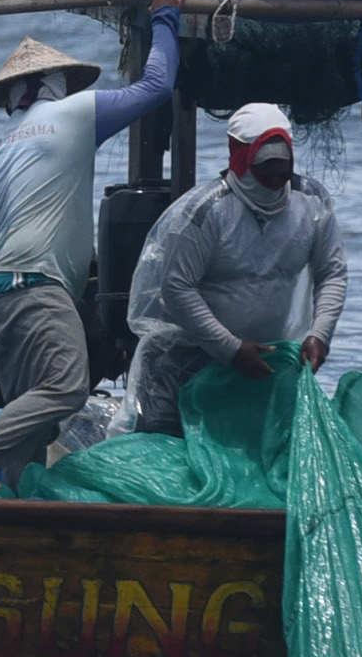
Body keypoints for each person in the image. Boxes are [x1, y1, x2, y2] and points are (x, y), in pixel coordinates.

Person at [0, 0, 184, 492]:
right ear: (58, 86)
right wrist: (165, 18)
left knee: (31, 429)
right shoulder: (76, 113)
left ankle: (13, 514)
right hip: (39, 287)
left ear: (12, 99)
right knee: (66, 388)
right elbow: (157, 85)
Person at [132, 103, 347, 436]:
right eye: (266, 173)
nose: (276, 184)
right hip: (184, 362)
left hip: (259, 362)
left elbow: (332, 273)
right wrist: (228, 347)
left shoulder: (312, 202)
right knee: (167, 458)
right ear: (241, 161)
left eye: (283, 173)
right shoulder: (204, 213)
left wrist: (320, 334)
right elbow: (176, 287)